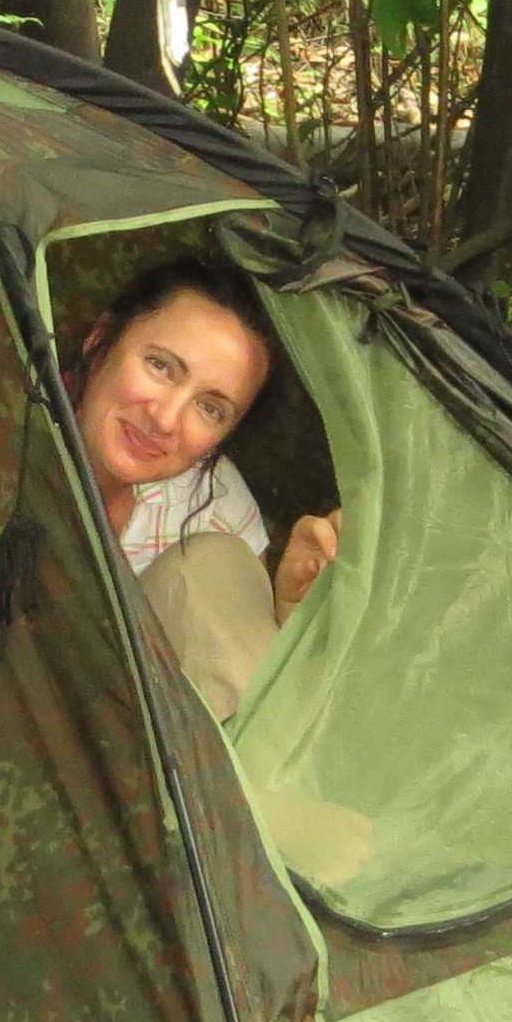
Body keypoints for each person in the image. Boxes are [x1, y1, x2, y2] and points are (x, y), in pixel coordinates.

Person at [65, 257, 339, 720]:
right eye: (160, 366)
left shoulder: (211, 500)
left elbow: (227, 666)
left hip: (140, 760)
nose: (165, 418)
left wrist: (288, 614)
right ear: (100, 340)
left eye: (211, 409)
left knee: (211, 562)